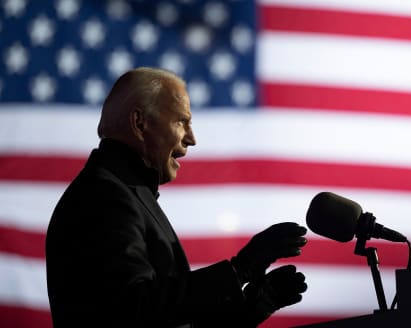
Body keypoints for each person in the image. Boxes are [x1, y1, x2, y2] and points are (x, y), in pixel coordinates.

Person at [46, 67, 308, 328]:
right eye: (182, 122)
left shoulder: (125, 193)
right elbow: (130, 308)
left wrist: (252, 307)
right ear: (139, 123)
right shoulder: (104, 196)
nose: (191, 139)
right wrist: (239, 270)